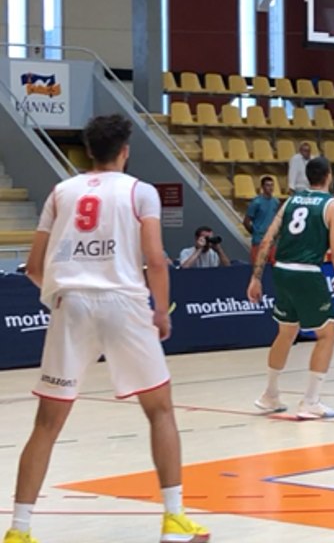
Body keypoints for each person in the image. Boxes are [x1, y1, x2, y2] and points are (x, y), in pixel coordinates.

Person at [6, 114, 209, 543]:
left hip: (71, 304)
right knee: (160, 410)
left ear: (88, 151)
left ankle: (18, 530)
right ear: (125, 151)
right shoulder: (141, 192)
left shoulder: (61, 192)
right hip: (124, 303)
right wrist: (161, 311)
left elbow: (35, 268)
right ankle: (174, 519)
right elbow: (155, 259)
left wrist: (64, 295)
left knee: (46, 424)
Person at [249, 156, 334, 420]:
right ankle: (311, 401)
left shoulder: (291, 201)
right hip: (306, 272)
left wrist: (256, 277)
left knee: (286, 332)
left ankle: (270, 395)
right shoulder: (333, 205)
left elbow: (268, 238)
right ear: (328, 175)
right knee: (327, 334)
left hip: (281, 270)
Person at [244, 176, 280, 264]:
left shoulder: (276, 202)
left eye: (272, 185)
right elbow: (246, 222)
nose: (270, 188)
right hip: (259, 241)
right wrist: (255, 232)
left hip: (272, 241)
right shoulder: (256, 202)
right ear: (262, 187)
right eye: (268, 185)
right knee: (258, 267)